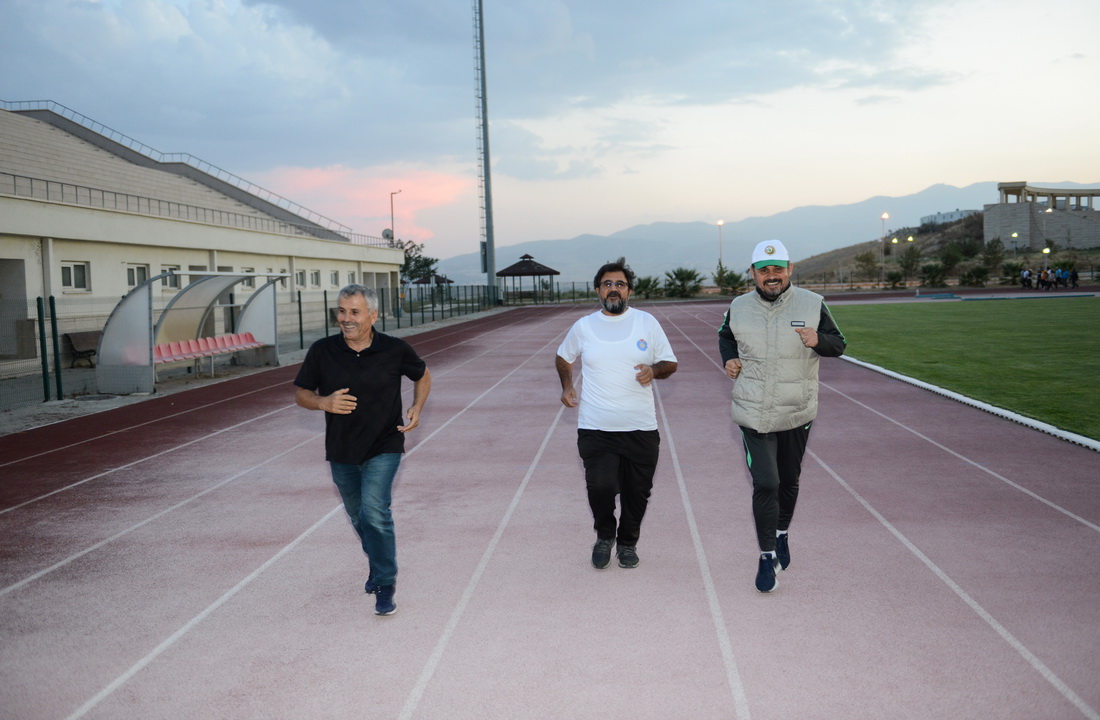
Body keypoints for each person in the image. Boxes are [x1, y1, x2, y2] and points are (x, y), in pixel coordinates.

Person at [294, 284, 432, 616]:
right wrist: (323, 402)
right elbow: (302, 394)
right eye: (341, 311)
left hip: (385, 444)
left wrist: (417, 406)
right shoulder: (322, 351)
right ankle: (379, 562)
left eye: (354, 312)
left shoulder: (395, 349)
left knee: (374, 512)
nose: (346, 318)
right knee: (358, 516)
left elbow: (423, 375)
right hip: (341, 449)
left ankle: (385, 583)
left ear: (373, 315)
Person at [717, 240, 846, 593]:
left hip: (795, 410)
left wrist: (818, 340)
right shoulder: (738, 306)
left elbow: (838, 344)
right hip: (753, 410)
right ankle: (766, 555)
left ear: (789, 269)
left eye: (777, 269)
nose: (771, 276)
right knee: (767, 483)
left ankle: (781, 532)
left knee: (789, 480)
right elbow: (725, 337)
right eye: (764, 270)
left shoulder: (813, 303)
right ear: (753, 273)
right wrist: (729, 358)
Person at [555, 257, 678, 570]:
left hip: (641, 427)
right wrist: (567, 386)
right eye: (607, 284)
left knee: (638, 493)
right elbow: (563, 357)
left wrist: (654, 370)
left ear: (629, 291)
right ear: (598, 290)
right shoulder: (584, 327)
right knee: (601, 487)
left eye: (620, 284)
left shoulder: (647, 323)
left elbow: (670, 363)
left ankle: (627, 544)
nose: (613, 289)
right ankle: (605, 536)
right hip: (596, 427)